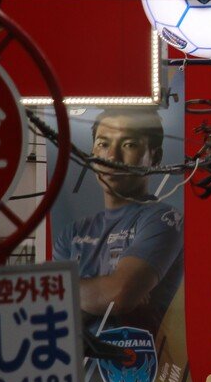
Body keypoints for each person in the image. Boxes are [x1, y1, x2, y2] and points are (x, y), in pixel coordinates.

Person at [53, 108, 183, 337]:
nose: (112, 156)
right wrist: (103, 293)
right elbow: (52, 310)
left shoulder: (163, 220)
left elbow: (119, 295)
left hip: (142, 367)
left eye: (129, 144)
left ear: (156, 156)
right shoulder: (72, 233)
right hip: (77, 369)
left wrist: (71, 290)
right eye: (103, 144)